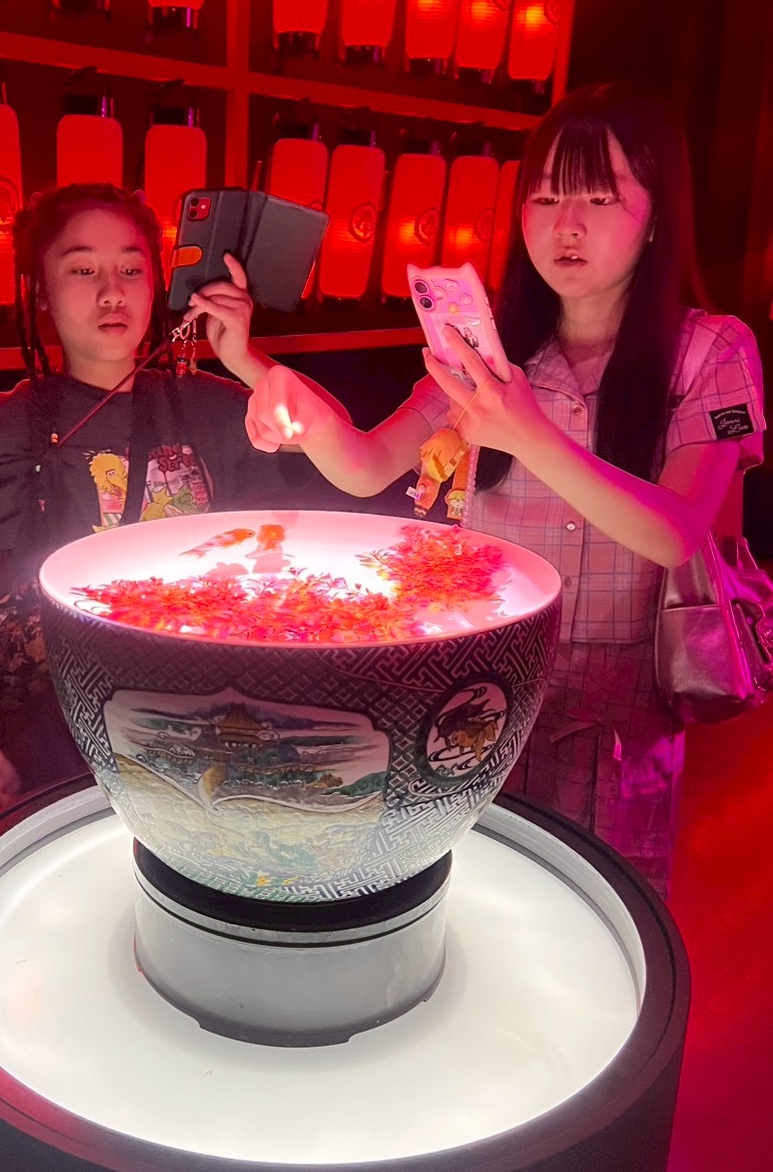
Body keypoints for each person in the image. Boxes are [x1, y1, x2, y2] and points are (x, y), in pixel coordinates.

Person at [244, 84, 766, 895]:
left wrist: (531, 435)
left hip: (619, 712)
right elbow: (368, 463)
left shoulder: (710, 352)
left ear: (657, 216)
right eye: (546, 196)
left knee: (600, 907)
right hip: (476, 687)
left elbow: (674, 531)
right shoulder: (488, 353)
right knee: (472, 895)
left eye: (601, 197)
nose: (566, 224)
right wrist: (297, 408)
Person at [0, 182, 342, 811]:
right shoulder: (11, 425)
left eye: (130, 269)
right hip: (64, 725)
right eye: (82, 269)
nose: (110, 291)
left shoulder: (208, 405)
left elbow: (341, 444)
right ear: (40, 291)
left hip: (202, 715)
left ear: (159, 285)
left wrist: (243, 356)